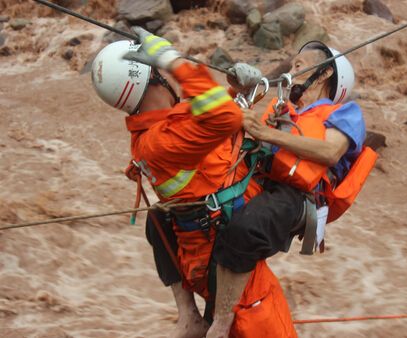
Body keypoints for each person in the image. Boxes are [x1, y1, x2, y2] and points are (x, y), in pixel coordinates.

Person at [91, 27, 298, 338]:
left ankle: (191, 319)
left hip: (213, 256)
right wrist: (173, 60)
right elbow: (224, 120)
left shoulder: (162, 128)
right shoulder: (161, 139)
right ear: (155, 79)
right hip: (230, 264)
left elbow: (210, 133)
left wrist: (239, 93)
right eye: (162, 72)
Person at [207, 41, 377, 337]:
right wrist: (245, 104)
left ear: (323, 74)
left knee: (247, 229)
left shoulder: (346, 113)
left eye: (300, 65)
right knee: (198, 213)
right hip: (260, 181)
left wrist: (269, 132)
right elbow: (253, 147)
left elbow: (330, 152)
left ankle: (219, 327)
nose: (292, 69)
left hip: (297, 197)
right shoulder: (284, 110)